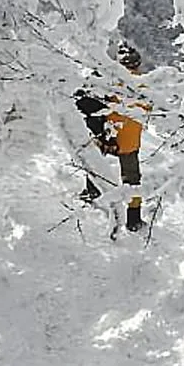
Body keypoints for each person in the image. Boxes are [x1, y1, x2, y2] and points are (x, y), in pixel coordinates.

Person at [73, 43, 150, 232]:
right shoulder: (146, 85)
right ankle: (134, 219)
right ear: (138, 64)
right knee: (132, 179)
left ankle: (91, 192)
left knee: (95, 162)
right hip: (130, 140)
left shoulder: (110, 81)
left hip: (107, 134)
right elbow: (149, 110)